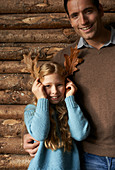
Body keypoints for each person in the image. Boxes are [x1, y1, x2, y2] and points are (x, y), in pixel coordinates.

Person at [23, 0, 115, 169]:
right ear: (70, 20)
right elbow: (40, 100)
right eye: (75, 15)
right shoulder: (64, 59)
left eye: (88, 11)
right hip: (89, 157)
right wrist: (28, 134)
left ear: (100, 10)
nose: (83, 21)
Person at [24, 62, 90, 170]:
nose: (54, 91)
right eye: (47, 86)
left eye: (59, 85)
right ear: (38, 86)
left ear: (66, 84)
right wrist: (42, 99)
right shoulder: (31, 110)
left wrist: (70, 99)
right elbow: (40, 134)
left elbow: (80, 134)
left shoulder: (70, 109)